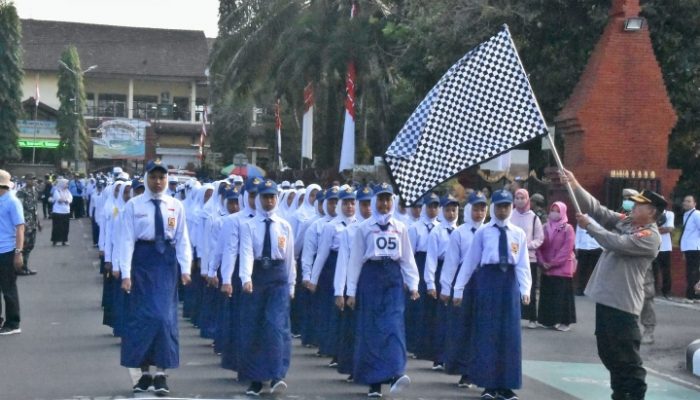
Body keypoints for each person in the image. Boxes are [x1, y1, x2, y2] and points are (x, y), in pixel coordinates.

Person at [561, 169, 665, 400]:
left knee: (627, 357)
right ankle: (619, 394)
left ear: (652, 212)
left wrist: (589, 226)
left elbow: (616, 242)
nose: (632, 207)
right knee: (608, 352)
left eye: (639, 205)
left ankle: (635, 395)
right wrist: (575, 184)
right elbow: (599, 210)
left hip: (623, 303)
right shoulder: (629, 222)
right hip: (607, 298)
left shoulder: (649, 235)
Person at [119, 160, 192, 395]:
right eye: (153, 177)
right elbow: (127, 239)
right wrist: (126, 273)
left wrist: (185, 268)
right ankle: (144, 374)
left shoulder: (175, 206)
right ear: (146, 178)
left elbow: (182, 239)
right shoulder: (134, 205)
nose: (157, 182)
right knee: (142, 319)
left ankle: (161, 373)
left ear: (167, 180)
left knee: (164, 318)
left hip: (165, 264)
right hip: (142, 263)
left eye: (161, 178)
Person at [452, 189, 531, 400]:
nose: (503, 210)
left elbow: (523, 264)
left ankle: (506, 385)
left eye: (506, 206)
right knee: (487, 333)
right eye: (499, 206)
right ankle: (488, 385)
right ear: (493, 208)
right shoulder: (483, 232)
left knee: (509, 335)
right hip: (488, 282)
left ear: (511, 207)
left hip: (509, 282)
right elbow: (470, 262)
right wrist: (458, 288)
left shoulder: (518, 233)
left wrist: (525, 289)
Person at [346, 183, 420, 398]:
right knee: (372, 330)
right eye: (381, 199)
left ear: (393, 202)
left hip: (393, 278)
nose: (385, 204)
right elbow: (355, 260)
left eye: (388, 200)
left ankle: (396, 372)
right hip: (371, 278)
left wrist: (413, 284)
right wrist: (351, 291)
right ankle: (374, 382)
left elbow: (407, 258)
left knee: (393, 325)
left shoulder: (401, 227)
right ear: (374, 202)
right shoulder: (365, 228)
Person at [237, 179, 296, 396]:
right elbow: (246, 253)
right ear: (258, 199)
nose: (269, 201)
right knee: (254, 326)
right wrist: (246, 278)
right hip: (258, 277)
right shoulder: (249, 226)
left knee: (275, 326)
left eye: (272, 197)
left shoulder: (284, 226)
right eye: (265, 197)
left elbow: (290, 259)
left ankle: (277, 374)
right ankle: (255, 378)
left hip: (278, 278)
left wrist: (291, 285)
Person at [424, 195, 460, 371]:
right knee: (442, 317)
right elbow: (431, 258)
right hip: (441, 271)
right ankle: (439, 357)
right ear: (442, 211)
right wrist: (430, 283)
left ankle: (453, 357)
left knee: (457, 317)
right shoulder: (437, 232)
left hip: (458, 274)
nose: (451, 213)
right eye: (447, 210)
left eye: (454, 210)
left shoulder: (460, 231)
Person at [536, 201, 576, 331]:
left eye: (558, 211)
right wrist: (542, 262)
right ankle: (548, 320)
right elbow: (539, 246)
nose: (554, 213)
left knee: (562, 296)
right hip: (546, 268)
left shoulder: (567, 228)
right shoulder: (544, 227)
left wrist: (553, 263)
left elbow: (567, 249)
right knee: (548, 295)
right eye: (553, 210)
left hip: (562, 268)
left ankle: (564, 321)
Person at [510, 188, 544, 329]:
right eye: (517, 198)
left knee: (529, 288)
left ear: (528, 199)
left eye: (522, 198)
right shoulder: (510, 215)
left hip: (530, 259)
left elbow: (540, 238)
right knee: (513, 289)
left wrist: (527, 246)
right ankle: (514, 315)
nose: (519, 200)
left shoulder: (534, 217)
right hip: (512, 258)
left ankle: (532, 318)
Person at [0, 170, 25, 336]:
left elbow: (20, 228)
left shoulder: (12, 201)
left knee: (8, 288)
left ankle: (13, 323)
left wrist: (18, 252)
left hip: (7, 250)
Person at [15, 174, 42, 276]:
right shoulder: (21, 192)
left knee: (30, 246)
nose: (33, 181)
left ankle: (25, 267)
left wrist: (38, 222)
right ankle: (19, 268)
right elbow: (18, 209)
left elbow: (35, 208)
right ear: (26, 180)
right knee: (22, 245)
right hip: (25, 223)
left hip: (33, 223)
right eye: (31, 179)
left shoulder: (35, 191)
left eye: (34, 179)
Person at [679, 195, 700, 300]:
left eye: (689, 201)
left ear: (694, 204)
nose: (686, 203)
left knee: (693, 272)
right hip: (688, 248)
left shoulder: (696, 214)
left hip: (695, 248)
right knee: (690, 272)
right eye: (685, 201)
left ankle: (692, 296)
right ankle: (693, 296)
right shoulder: (686, 215)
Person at [574, 219, 602, 295]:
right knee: (582, 269)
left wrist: (602, 246)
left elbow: (602, 232)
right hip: (583, 247)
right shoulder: (582, 218)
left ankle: (595, 290)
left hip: (596, 247)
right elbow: (578, 233)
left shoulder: (599, 218)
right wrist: (577, 246)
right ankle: (581, 289)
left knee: (595, 271)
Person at [654, 207, 674, 298]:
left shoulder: (669, 214)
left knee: (665, 270)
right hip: (653, 246)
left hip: (665, 246)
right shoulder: (651, 212)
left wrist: (653, 230)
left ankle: (666, 291)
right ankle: (653, 289)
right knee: (652, 269)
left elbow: (669, 228)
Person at [50, 178, 73, 246]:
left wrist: (67, 200)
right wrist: (65, 200)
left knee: (65, 227)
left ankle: (64, 240)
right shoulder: (57, 191)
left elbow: (70, 198)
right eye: (66, 183)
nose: (67, 185)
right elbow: (59, 199)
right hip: (57, 211)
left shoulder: (67, 191)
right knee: (57, 227)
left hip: (66, 211)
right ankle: (55, 240)